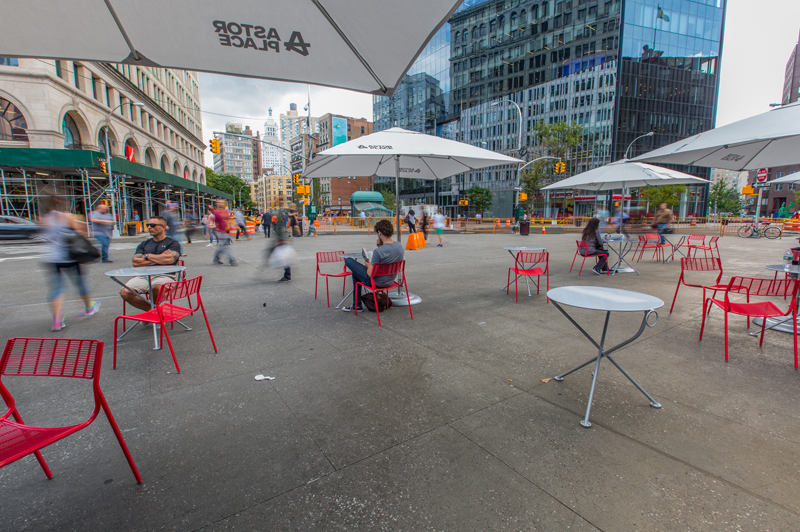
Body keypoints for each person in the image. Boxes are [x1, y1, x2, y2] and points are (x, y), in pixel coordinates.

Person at [42, 195, 101, 331]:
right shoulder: (67, 217)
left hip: (51, 257)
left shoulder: (45, 219)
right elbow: (82, 232)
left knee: (56, 289)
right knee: (80, 283)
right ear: (61, 203)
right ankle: (89, 308)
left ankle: (57, 321)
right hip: (70, 257)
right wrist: (78, 221)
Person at [119, 216, 182, 312]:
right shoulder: (144, 244)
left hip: (164, 276)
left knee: (156, 289)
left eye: (152, 225)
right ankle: (155, 312)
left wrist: (146, 256)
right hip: (143, 276)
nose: (149, 227)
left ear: (163, 227)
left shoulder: (173, 243)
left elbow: (168, 260)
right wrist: (159, 257)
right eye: (148, 225)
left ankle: (153, 314)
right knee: (125, 292)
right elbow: (135, 262)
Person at [342, 219, 404, 312]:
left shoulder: (378, 252)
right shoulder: (399, 246)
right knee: (356, 272)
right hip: (390, 281)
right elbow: (387, 259)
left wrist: (368, 265)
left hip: (377, 282)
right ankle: (356, 305)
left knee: (349, 261)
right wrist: (380, 246)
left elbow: (370, 274)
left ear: (379, 233)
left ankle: (357, 305)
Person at [211, 200, 237, 266]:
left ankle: (216, 258)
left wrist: (235, 225)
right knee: (225, 246)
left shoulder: (227, 211)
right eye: (219, 202)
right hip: (220, 231)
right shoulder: (216, 212)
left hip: (226, 230)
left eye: (222, 202)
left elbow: (230, 219)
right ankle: (232, 260)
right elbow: (213, 221)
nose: (220, 203)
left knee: (222, 246)